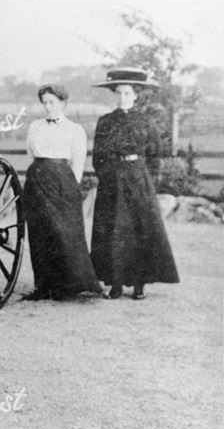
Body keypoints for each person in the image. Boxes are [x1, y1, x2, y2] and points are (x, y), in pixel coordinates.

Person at [90, 68, 179, 300]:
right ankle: (116, 285)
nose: (122, 97)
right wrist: (108, 175)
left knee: (140, 231)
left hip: (139, 180)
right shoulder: (105, 122)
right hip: (112, 181)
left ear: (136, 95)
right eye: (119, 93)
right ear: (114, 94)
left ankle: (139, 285)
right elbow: (97, 156)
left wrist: (146, 179)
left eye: (127, 93)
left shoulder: (146, 122)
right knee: (113, 231)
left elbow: (155, 155)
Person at [22, 84, 101, 301]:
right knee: (40, 232)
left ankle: (70, 285)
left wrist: (68, 188)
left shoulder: (74, 130)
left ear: (63, 103)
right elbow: (31, 153)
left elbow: (78, 163)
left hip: (62, 182)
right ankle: (44, 286)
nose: (48, 107)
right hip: (37, 179)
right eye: (45, 102)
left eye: (52, 102)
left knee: (64, 232)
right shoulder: (35, 127)